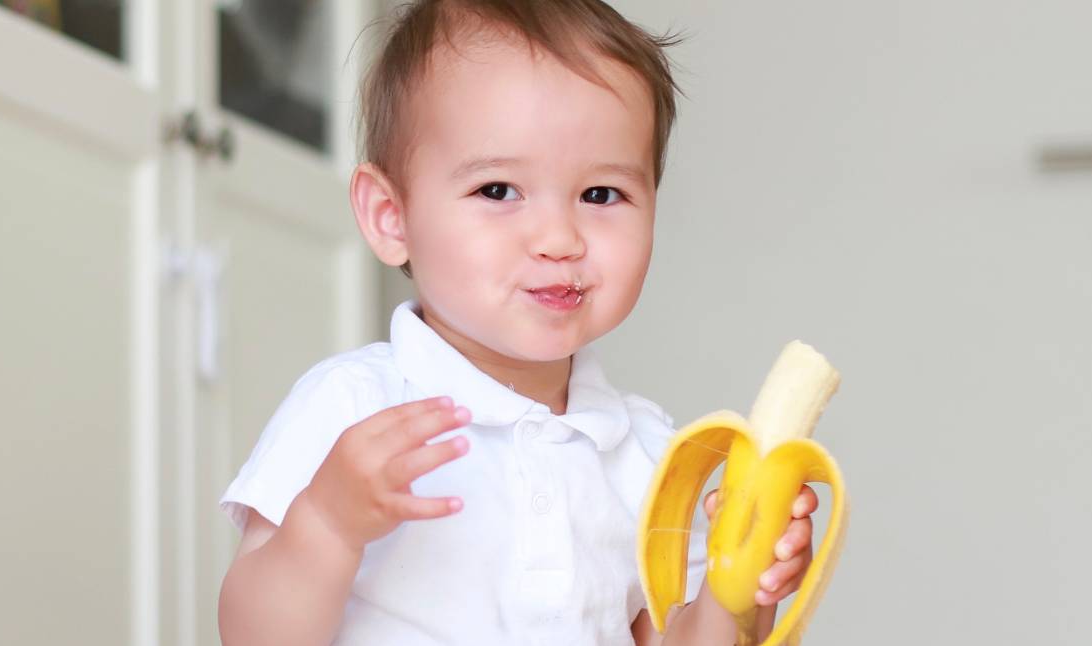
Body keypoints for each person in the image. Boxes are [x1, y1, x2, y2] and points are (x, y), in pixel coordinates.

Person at [216, 1, 817, 643]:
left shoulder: (650, 453)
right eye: (498, 191)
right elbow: (253, 635)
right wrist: (327, 526)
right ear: (392, 216)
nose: (559, 238)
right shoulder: (354, 407)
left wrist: (736, 590)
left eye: (600, 195)